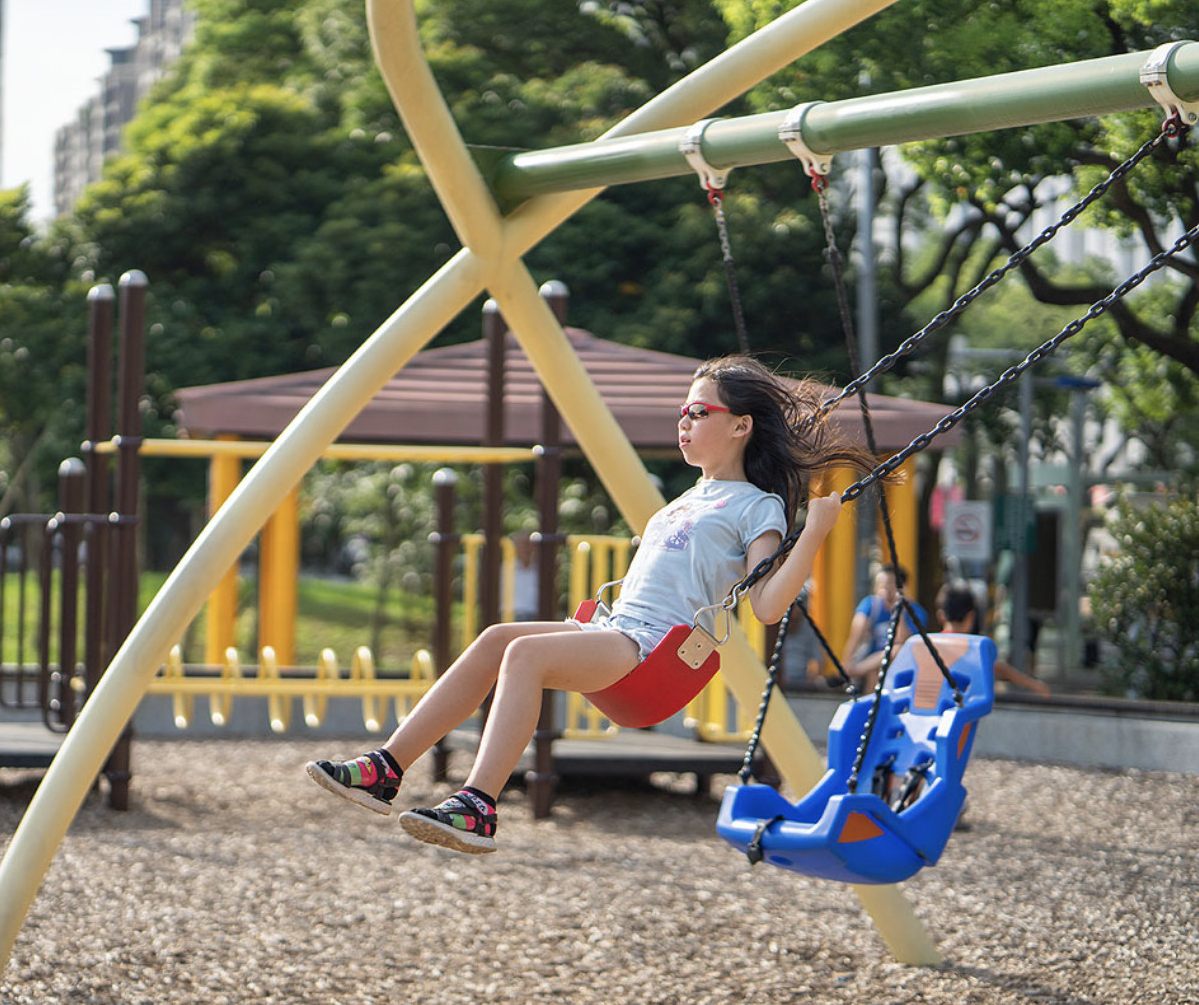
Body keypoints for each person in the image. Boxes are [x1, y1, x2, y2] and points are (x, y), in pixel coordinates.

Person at [305, 356, 880, 854]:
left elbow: (768, 607)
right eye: (683, 411)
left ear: (741, 427)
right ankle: (386, 769)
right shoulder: (688, 498)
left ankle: (479, 803)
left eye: (699, 412)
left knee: (524, 656)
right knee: (498, 638)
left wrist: (815, 532)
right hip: (617, 630)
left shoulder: (757, 507)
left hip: (652, 653)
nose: (684, 421)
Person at [936, 582, 1051, 696]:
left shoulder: (931, 645)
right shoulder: (973, 648)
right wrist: (1036, 685)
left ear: (941, 616)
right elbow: (1001, 670)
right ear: (971, 616)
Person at [841, 563, 927, 692]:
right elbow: (855, 638)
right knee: (875, 671)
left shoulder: (916, 612)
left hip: (900, 664)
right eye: (880, 585)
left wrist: (900, 611)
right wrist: (845, 664)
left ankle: (858, 671)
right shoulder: (870, 605)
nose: (884, 589)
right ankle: (869, 705)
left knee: (898, 649)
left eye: (889, 584)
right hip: (871, 663)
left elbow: (905, 644)